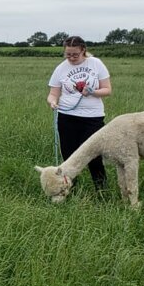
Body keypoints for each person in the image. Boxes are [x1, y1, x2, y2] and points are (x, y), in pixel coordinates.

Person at [46, 35, 112, 192]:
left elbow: (107, 90)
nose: (71, 57)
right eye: (68, 54)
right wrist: (52, 102)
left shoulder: (96, 64)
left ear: (83, 51)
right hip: (66, 117)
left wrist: (92, 92)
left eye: (75, 54)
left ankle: (101, 189)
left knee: (94, 155)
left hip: (93, 118)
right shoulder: (61, 68)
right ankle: (69, 188)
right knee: (69, 156)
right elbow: (53, 93)